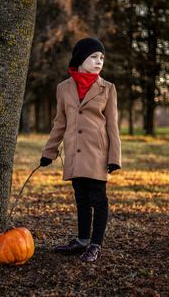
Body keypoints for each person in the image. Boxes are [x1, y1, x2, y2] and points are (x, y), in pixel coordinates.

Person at [39, 37, 122, 262]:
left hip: (97, 154)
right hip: (75, 153)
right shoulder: (63, 88)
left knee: (98, 199)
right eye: (94, 57)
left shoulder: (108, 88)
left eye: (102, 58)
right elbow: (60, 123)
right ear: (80, 59)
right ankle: (82, 240)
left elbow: (112, 125)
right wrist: (49, 152)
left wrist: (115, 157)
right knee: (81, 198)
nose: (99, 62)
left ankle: (95, 244)